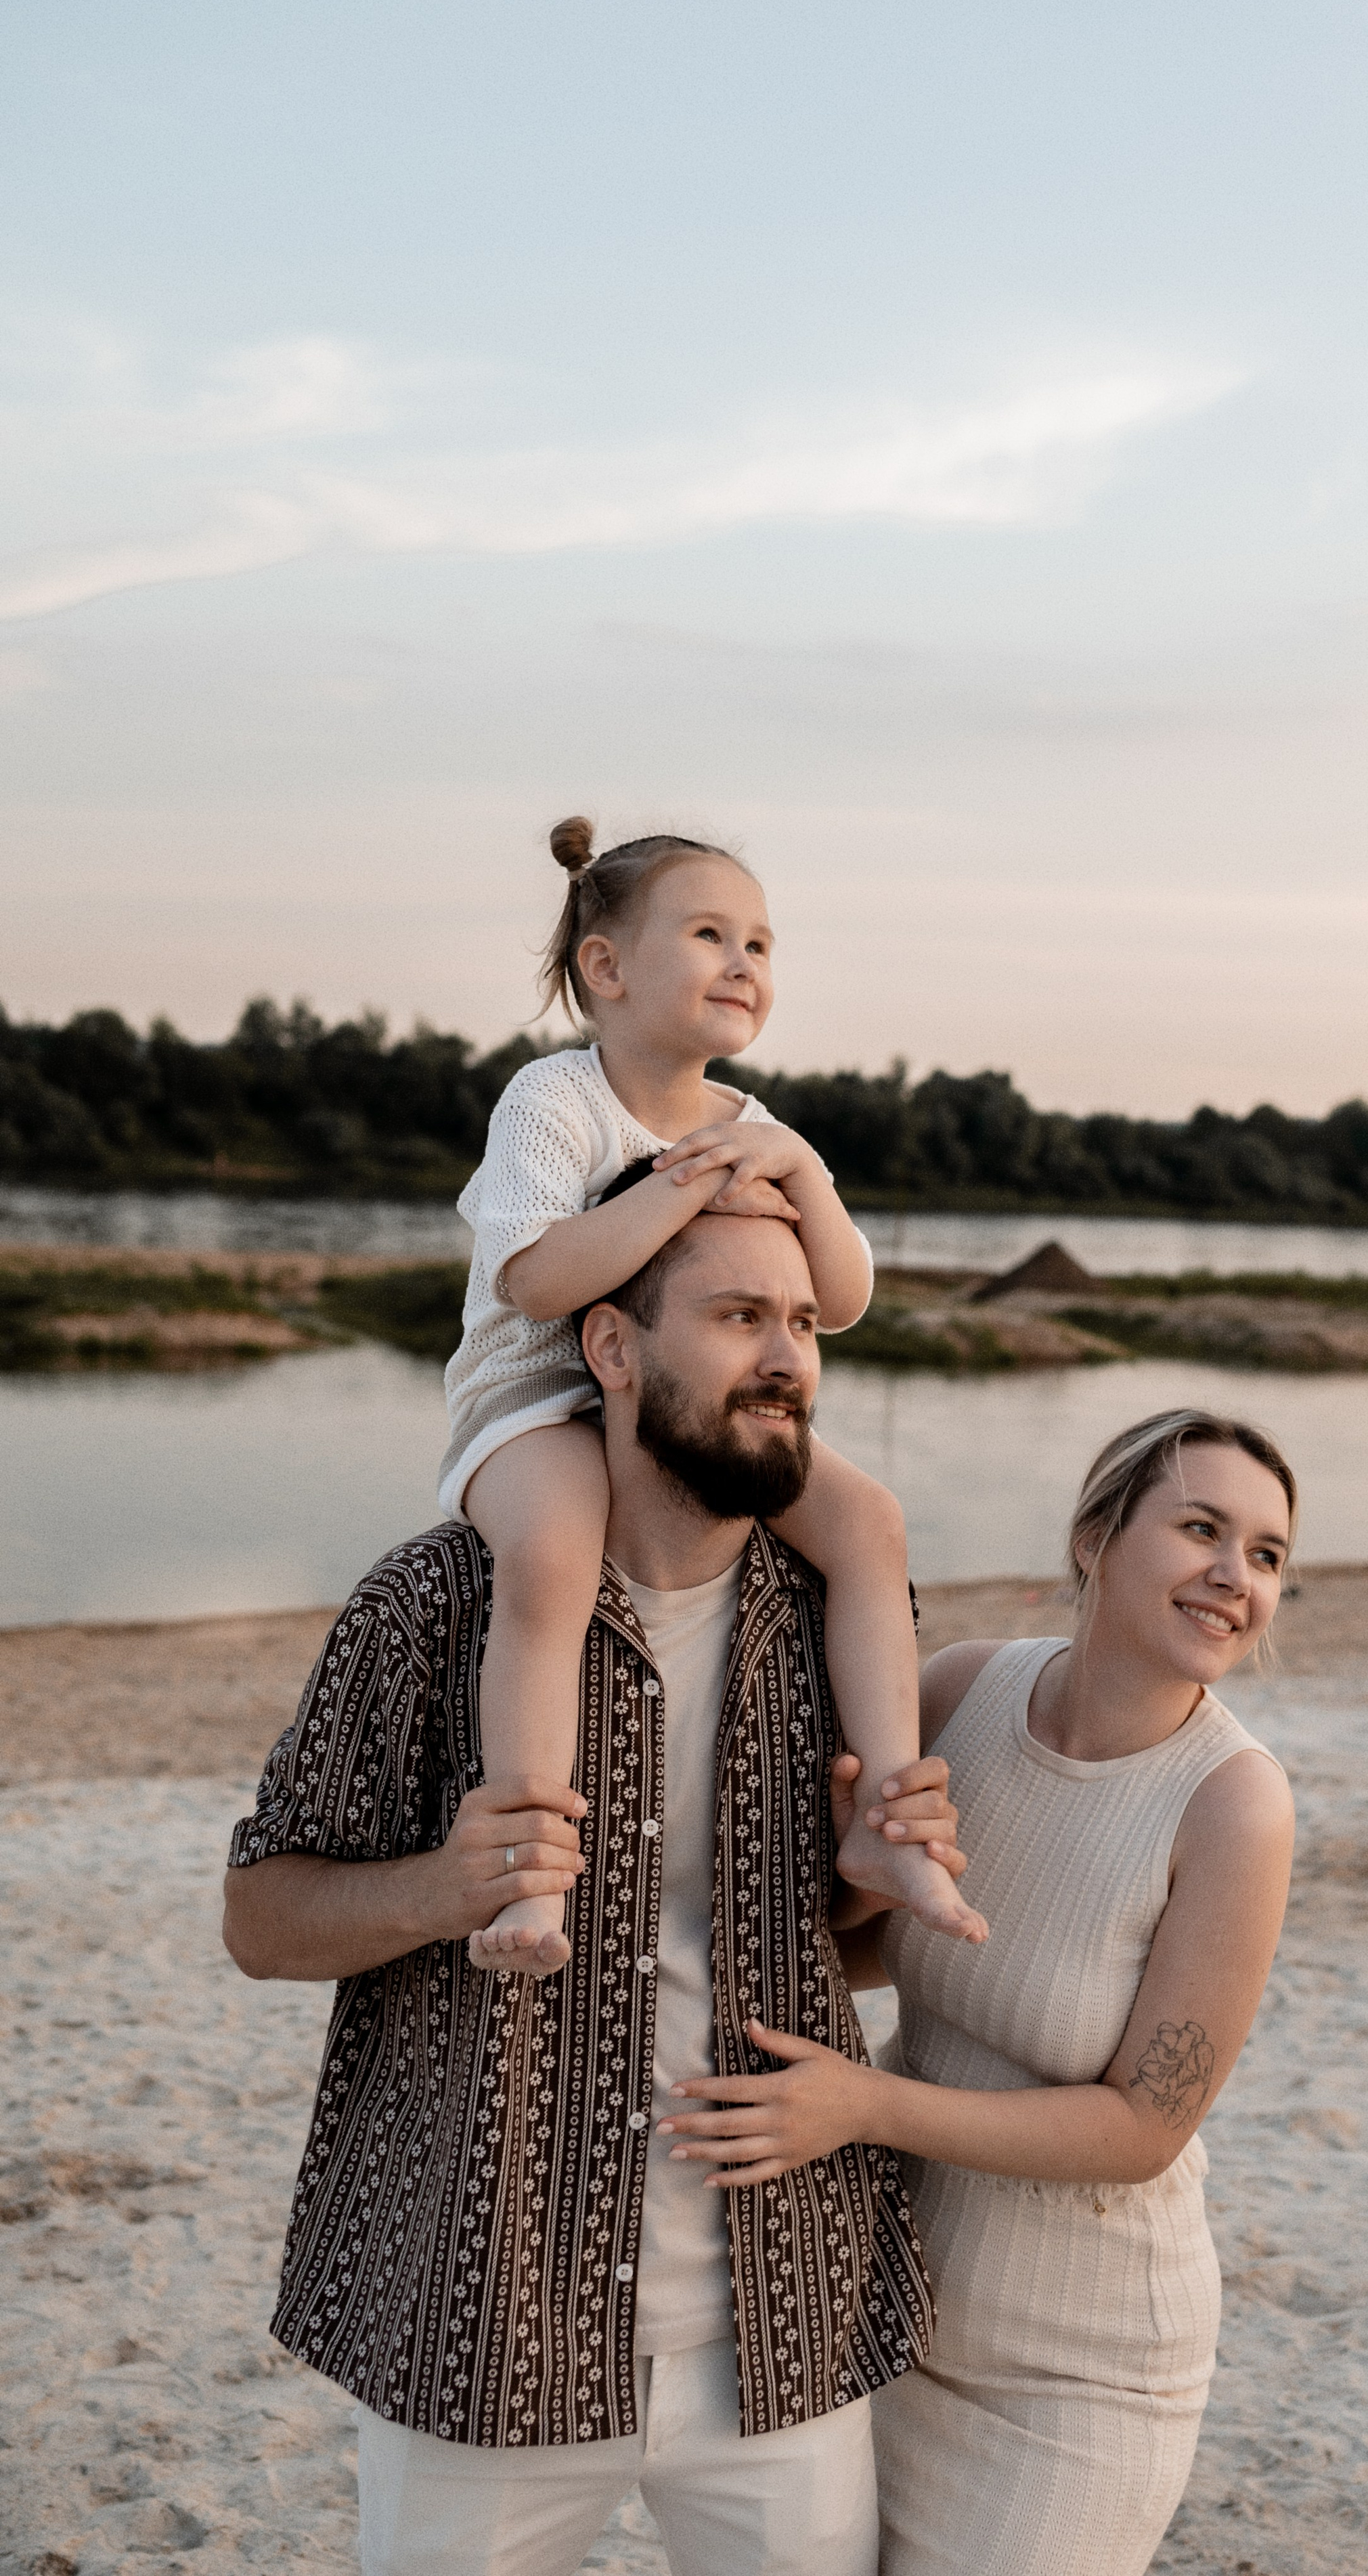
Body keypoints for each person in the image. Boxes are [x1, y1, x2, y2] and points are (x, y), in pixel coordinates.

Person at [222, 1204, 965, 2576]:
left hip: (777, 2311)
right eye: (740, 1317)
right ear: (612, 1348)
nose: (787, 1357)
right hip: (489, 2306)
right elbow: (260, 1919)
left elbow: (838, 1953)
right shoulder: (433, 1604)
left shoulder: (848, 1623)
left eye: (802, 1325)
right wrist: (449, 1887)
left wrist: (870, 1879)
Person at [655, 1406, 1298, 2576]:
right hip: (887, 2311)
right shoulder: (958, 1693)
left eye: (1265, 1555)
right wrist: (855, 1876)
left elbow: (1146, 2127)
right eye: (1201, 1528)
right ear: (1095, 1538)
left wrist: (864, 2107)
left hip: (1081, 2374)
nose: (1232, 1577)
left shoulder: (1235, 1807)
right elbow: (867, 1949)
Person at [442, 814, 984, 1970]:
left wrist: (797, 1176)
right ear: (608, 966)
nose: (746, 963)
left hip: (683, 1405)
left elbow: (840, 1299)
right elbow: (532, 1278)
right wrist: (682, 1194)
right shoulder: (555, 1102)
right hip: (533, 1399)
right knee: (551, 1555)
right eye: (709, 934)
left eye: (763, 944)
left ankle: (889, 1818)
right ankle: (531, 1871)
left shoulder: (759, 1127)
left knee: (871, 1525)